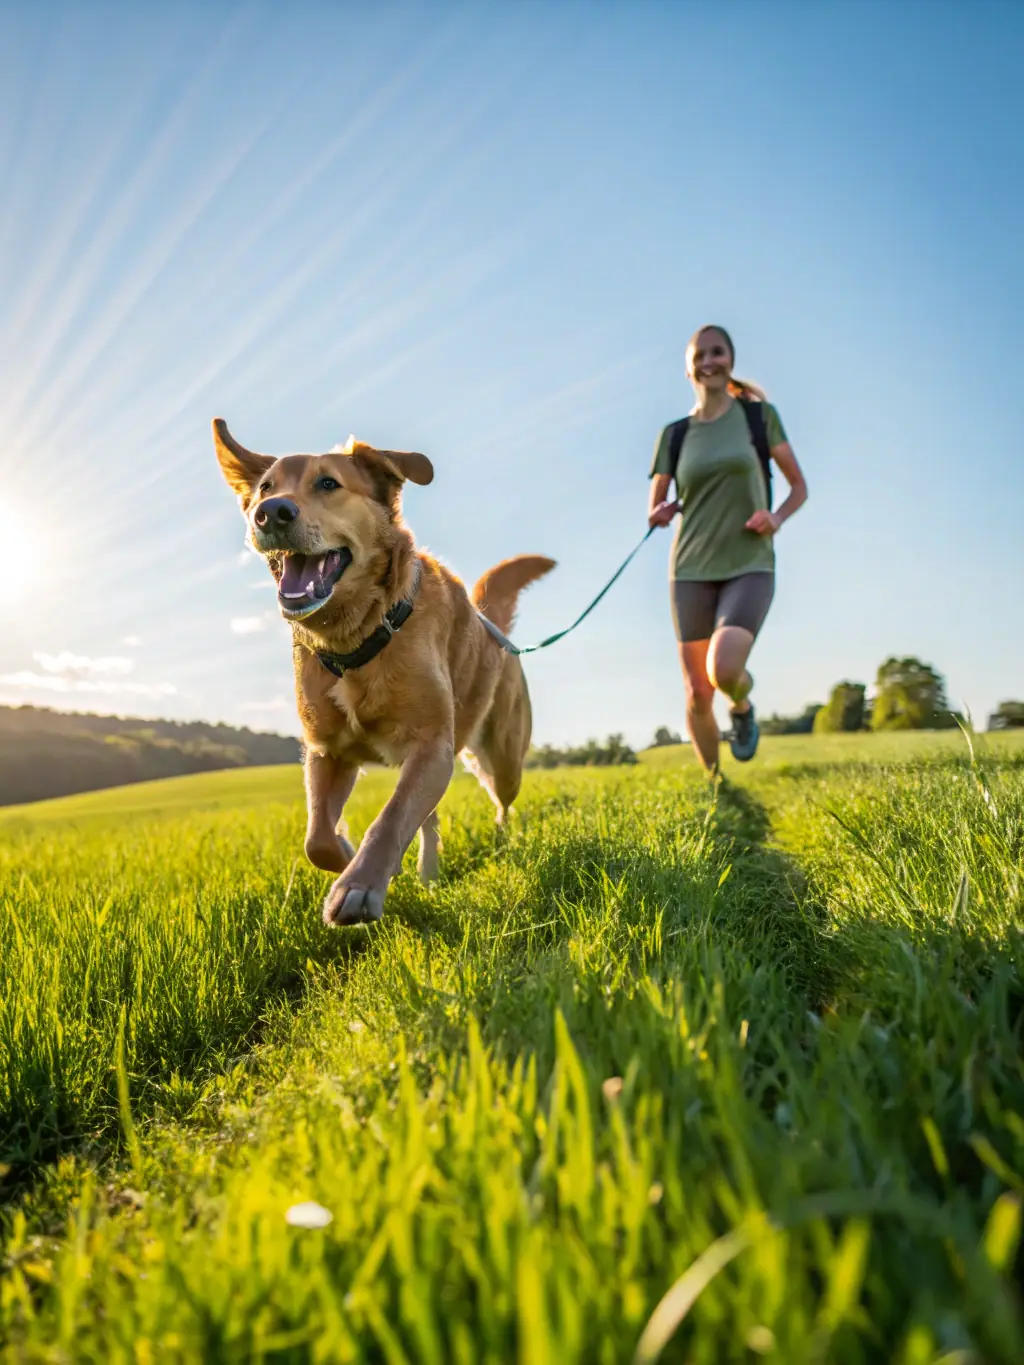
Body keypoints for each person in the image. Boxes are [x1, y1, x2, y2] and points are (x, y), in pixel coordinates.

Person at [647, 324, 808, 773]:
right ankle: (716, 788)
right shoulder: (674, 434)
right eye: (700, 355)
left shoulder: (759, 418)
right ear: (688, 367)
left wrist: (775, 517)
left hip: (749, 562)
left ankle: (741, 706)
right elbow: (656, 501)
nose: (708, 362)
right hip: (690, 568)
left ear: (730, 360)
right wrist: (659, 512)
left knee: (725, 670)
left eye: (717, 352)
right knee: (698, 690)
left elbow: (799, 487)